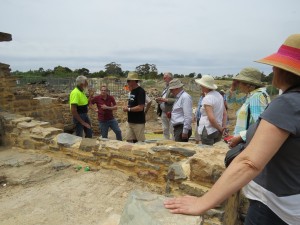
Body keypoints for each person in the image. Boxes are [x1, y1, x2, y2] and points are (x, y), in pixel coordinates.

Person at [164, 34, 300, 225]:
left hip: (273, 208)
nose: (272, 68)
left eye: (277, 65)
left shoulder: (287, 104)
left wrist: (203, 202)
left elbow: (250, 162)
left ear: (287, 71)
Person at [227, 67, 270, 148]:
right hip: (247, 141)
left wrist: (240, 138)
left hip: (247, 143)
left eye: (240, 82)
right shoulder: (254, 95)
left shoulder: (256, 96)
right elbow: (231, 104)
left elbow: (261, 125)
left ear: (248, 85)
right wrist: (232, 89)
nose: (238, 85)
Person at [195, 75, 227, 145]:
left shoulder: (207, 98)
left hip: (208, 129)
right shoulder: (219, 95)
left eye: (202, 85)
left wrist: (221, 128)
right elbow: (224, 113)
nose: (201, 87)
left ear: (205, 86)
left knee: (207, 152)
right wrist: (223, 127)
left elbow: (211, 118)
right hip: (218, 128)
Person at [122, 71, 146, 143]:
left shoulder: (140, 91)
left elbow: (140, 107)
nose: (127, 82)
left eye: (128, 80)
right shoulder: (132, 90)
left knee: (140, 142)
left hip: (138, 121)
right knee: (129, 140)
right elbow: (133, 103)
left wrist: (128, 109)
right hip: (130, 121)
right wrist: (128, 106)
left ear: (134, 81)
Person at [156, 72, 176, 140]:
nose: (163, 79)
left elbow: (177, 100)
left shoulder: (175, 88)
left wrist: (165, 100)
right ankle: (165, 143)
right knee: (165, 129)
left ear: (170, 78)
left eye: (165, 77)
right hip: (164, 112)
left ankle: (174, 144)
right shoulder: (165, 87)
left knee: (172, 130)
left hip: (171, 112)